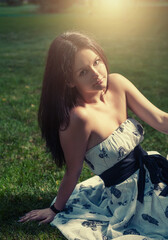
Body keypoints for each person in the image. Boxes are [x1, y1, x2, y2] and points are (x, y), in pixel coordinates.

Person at [19, 31, 168, 240]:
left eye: (97, 62)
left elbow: (161, 120)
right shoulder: (78, 118)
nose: (96, 73)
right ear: (69, 81)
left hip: (154, 171)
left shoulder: (117, 83)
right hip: (130, 199)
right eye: (83, 72)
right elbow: (73, 171)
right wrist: (54, 209)